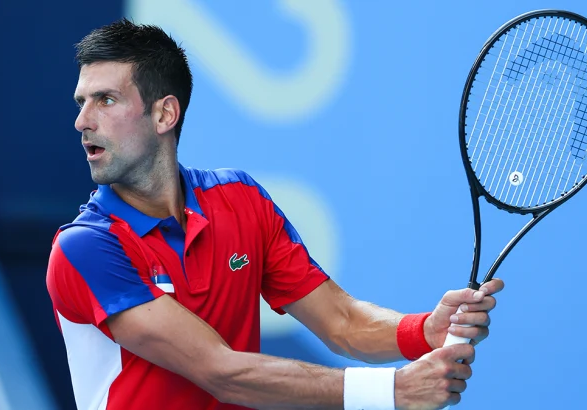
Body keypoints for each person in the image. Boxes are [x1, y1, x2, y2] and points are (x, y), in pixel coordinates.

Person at [45, 19, 505, 410]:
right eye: (81, 102)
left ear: (165, 114)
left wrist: (423, 330)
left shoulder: (241, 200)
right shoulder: (84, 249)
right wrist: (392, 390)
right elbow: (220, 371)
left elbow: (341, 321)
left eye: (105, 100)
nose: (82, 121)